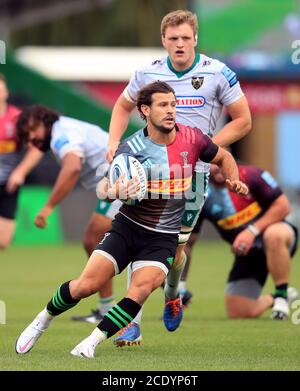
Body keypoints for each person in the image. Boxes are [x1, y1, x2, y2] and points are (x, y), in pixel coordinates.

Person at [15, 81, 248, 358]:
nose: (171, 110)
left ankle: (92, 342)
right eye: (163, 105)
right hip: (128, 228)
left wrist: (233, 179)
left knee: (143, 287)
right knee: (85, 286)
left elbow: (223, 156)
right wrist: (114, 189)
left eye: (173, 104)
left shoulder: (193, 138)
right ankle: (42, 320)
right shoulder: (130, 148)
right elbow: (104, 187)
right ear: (145, 110)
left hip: (164, 235)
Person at [103, 9, 251, 345]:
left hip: (193, 177)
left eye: (186, 38)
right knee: (138, 237)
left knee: (175, 250)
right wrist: (113, 142)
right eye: (173, 39)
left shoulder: (217, 72)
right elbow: (122, 106)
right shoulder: (147, 73)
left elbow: (243, 120)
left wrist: (206, 147)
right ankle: (131, 322)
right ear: (164, 41)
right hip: (150, 171)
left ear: (196, 39)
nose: (180, 44)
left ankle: (172, 292)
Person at [16, 105, 121, 318]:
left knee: (93, 239)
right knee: (100, 241)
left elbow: (72, 167)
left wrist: (48, 206)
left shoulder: (59, 135)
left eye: (31, 132)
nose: (30, 140)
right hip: (119, 178)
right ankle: (174, 289)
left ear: (42, 120)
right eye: (26, 138)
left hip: (119, 179)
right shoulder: (64, 128)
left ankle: (108, 310)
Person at [184, 163, 298, 320]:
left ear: (228, 159)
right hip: (249, 253)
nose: (217, 167)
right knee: (238, 312)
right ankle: (275, 298)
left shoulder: (251, 175)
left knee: (274, 235)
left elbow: (284, 206)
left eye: (220, 163)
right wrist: (179, 286)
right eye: (212, 162)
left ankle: (281, 295)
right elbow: (188, 241)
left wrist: (251, 231)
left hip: (278, 238)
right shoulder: (200, 191)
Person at [0, 74, 43, 249]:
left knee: (3, 241)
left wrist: (20, 172)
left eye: (1, 89)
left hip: (8, 184)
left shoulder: (18, 118)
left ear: (6, 93)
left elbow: (36, 148)